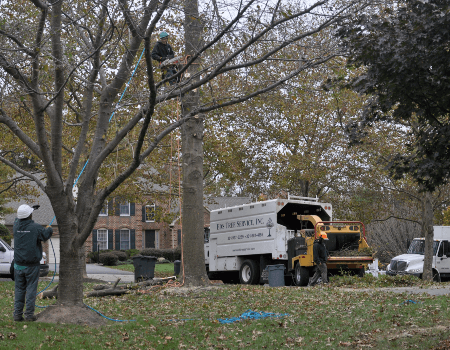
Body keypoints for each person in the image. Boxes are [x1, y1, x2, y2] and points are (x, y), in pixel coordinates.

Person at [13, 204, 53, 322]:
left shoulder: (15, 226)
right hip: (32, 266)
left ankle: (17, 315)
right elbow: (45, 235)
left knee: (20, 290)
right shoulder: (36, 227)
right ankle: (29, 315)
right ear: (30, 215)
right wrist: (49, 228)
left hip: (18, 265)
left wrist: (31, 208)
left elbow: (20, 218)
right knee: (30, 290)